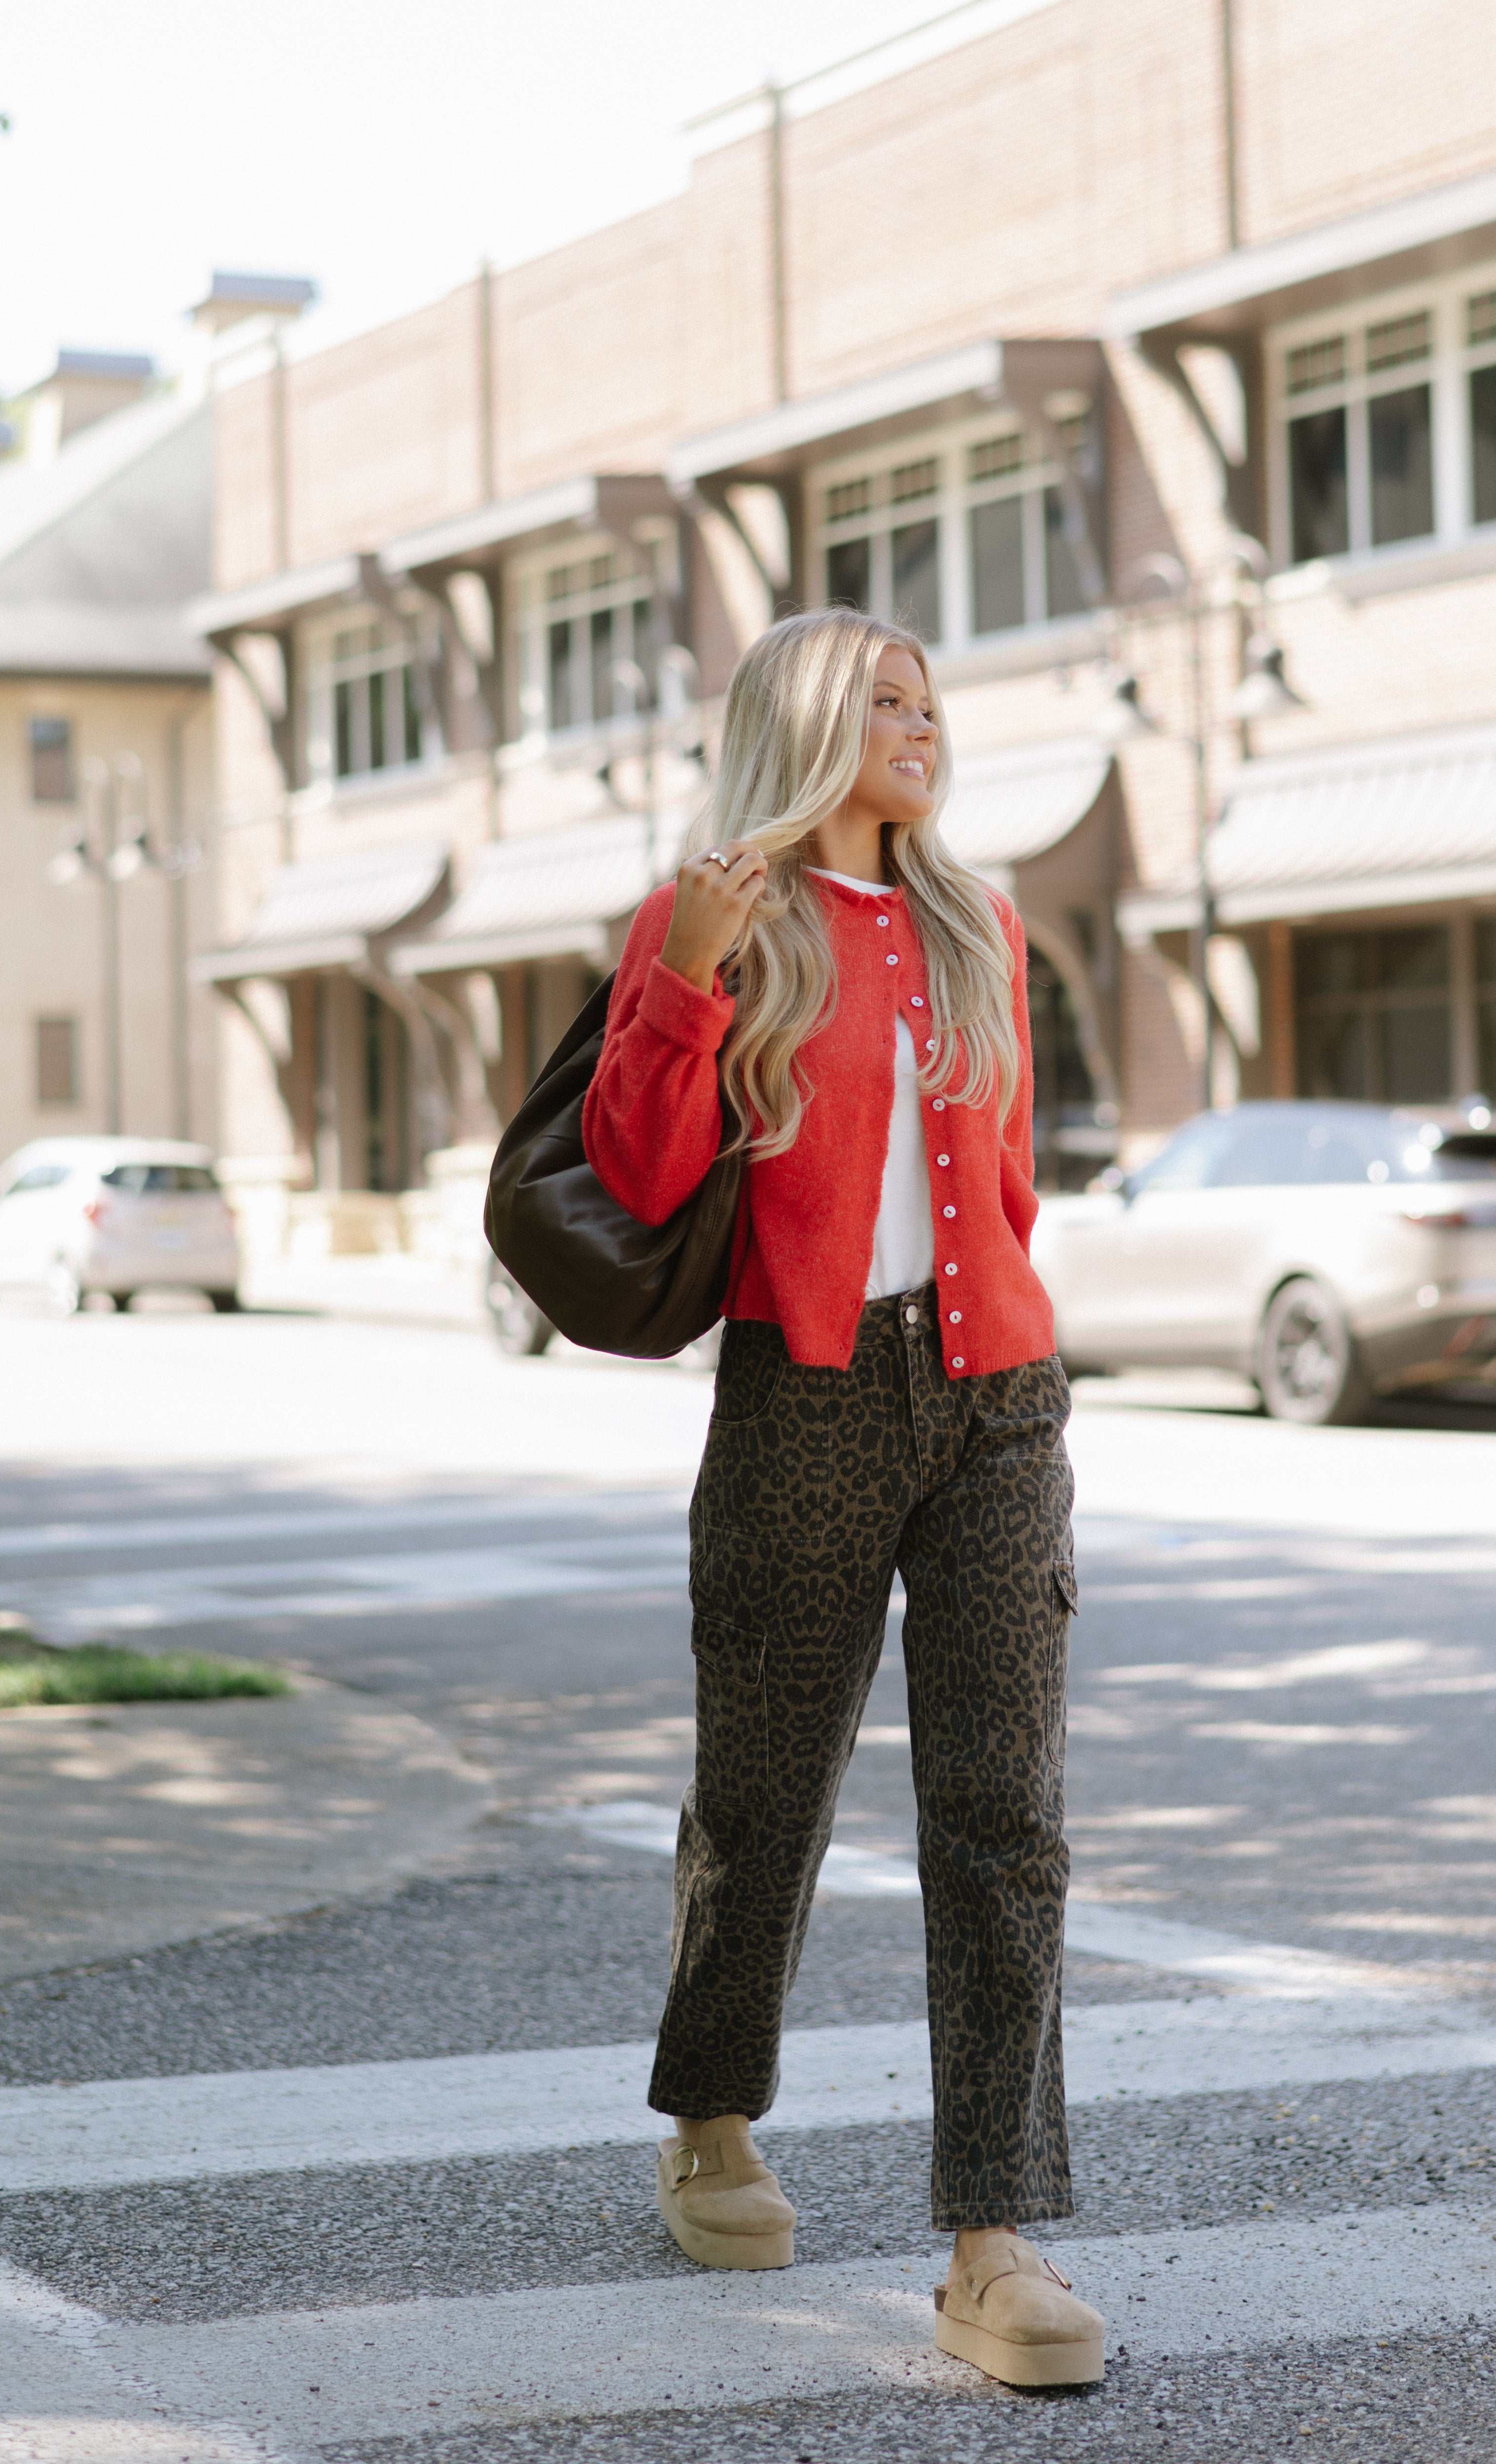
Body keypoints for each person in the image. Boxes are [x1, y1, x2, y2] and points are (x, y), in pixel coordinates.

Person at [582, 606, 1104, 2391]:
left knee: (1005, 1812)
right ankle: (713, 2117)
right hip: (802, 1394)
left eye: (931, 701)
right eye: (882, 700)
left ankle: (994, 2237)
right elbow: (640, 1174)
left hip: (996, 1400)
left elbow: (1011, 1181)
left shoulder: (982, 924)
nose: (919, 725)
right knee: (766, 1787)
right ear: (802, 724)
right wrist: (688, 976)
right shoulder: (714, 918)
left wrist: (1007, 1349)